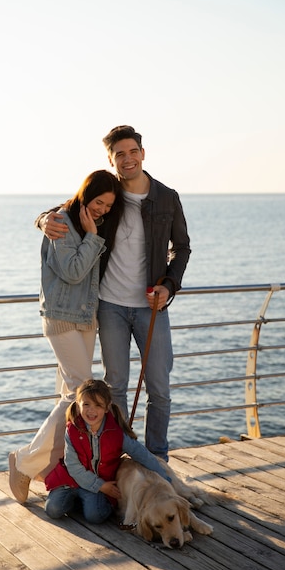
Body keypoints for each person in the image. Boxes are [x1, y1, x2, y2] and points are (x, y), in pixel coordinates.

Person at [38, 126, 191, 463]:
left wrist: (168, 286)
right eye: (119, 154)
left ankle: (157, 460)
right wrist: (42, 219)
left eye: (132, 151)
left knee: (160, 390)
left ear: (142, 153)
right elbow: (68, 209)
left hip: (152, 308)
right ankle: (116, 459)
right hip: (109, 307)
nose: (127, 159)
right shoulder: (108, 197)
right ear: (111, 160)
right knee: (115, 387)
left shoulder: (166, 198)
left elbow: (181, 248)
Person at [9, 169, 124, 503]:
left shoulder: (92, 222)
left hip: (85, 319)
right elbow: (73, 272)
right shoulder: (61, 221)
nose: (102, 209)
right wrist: (90, 235)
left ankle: (54, 465)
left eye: (108, 205)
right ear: (85, 195)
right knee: (78, 393)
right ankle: (25, 461)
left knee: (68, 393)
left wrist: (93, 231)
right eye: (98, 202)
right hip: (61, 318)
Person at [44, 379, 172, 523]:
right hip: (71, 479)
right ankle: (78, 500)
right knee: (52, 510)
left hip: (97, 484)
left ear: (107, 408)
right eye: (86, 404)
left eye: (98, 405)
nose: (91, 410)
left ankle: (88, 502)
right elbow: (72, 466)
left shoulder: (116, 433)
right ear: (78, 405)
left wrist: (166, 479)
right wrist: (101, 486)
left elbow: (142, 455)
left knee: (95, 516)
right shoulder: (72, 429)